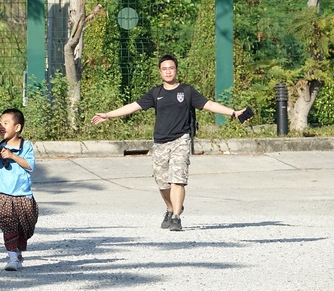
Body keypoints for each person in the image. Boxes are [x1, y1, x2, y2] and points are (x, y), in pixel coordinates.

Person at [91, 54, 250, 232]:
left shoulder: (187, 91)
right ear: (160, 72)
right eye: (164, 69)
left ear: (176, 70)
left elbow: (210, 105)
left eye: (171, 68)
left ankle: (176, 217)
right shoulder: (155, 93)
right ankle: (171, 208)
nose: (168, 71)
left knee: (178, 178)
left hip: (181, 140)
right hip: (160, 142)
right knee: (162, 182)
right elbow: (133, 106)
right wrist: (108, 115)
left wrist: (233, 112)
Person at [0, 108, 39, 272]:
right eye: (0, 123)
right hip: (4, 195)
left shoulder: (26, 146)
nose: (1, 126)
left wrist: (12, 156)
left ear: (17, 127)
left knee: (25, 228)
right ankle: (12, 258)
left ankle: (18, 251)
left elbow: (30, 166)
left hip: (24, 195)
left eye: (6, 123)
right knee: (8, 225)